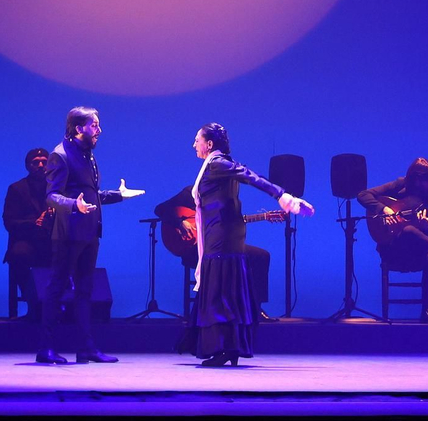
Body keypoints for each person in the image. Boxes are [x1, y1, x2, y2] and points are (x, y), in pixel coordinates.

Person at [177, 123, 313, 367]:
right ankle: (229, 347)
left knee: (223, 291)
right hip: (219, 234)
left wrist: (283, 197)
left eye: (197, 139)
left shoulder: (218, 163)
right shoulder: (213, 164)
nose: (193, 144)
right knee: (225, 289)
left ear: (209, 144)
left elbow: (250, 176)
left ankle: (226, 347)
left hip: (222, 237)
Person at [36, 107, 144, 365]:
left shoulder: (87, 155)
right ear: (78, 128)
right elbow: (52, 196)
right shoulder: (59, 155)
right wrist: (75, 205)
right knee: (56, 289)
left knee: (85, 291)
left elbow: (90, 193)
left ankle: (86, 348)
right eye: (94, 125)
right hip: (67, 235)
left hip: (89, 233)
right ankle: (46, 349)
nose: (99, 130)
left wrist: (119, 195)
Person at [356, 157, 428, 323]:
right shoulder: (400, 185)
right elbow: (363, 195)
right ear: (417, 180)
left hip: (418, 254)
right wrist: (385, 209)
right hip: (392, 250)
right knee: (407, 230)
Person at [154, 185, 273, 318]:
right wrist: (180, 223)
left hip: (218, 246)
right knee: (225, 260)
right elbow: (160, 209)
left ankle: (255, 308)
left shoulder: (227, 198)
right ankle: (216, 312)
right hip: (193, 250)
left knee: (261, 256)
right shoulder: (193, 192)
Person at [3, 147, 52, 319]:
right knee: (19, 254)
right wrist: (34, 223)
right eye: (35, 162)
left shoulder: (57, 188)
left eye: (44, 162)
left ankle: (62, 306)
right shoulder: (16, 188)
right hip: (28, 240)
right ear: (27, 166)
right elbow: (9, 222)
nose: (40, 165)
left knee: (72, 253)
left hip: (51, 240)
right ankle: (33, 302)